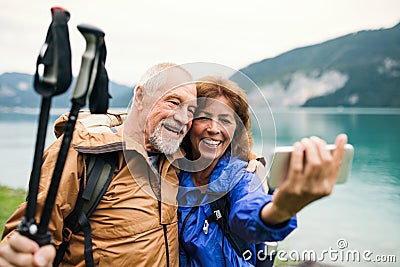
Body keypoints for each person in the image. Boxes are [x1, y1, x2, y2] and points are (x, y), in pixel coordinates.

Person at [0, 62, 198, 267]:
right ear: (140, 97)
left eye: (191, 110)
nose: (183, 118)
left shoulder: (176, 159)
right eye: (173, 102)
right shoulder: (80, 152)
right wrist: (20, 256)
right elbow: (29, 233)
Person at [177, 77, 348, 266]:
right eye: (204, 117)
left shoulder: (244, 174)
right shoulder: (171, 170)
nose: (214, 129)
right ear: (189, 122)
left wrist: (279, 210)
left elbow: (248, 211)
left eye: (225, 120)